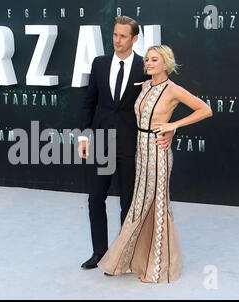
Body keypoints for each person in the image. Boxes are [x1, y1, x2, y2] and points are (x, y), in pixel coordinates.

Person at [97, 45, 213, 283]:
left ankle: (157, 268)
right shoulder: (145, 85)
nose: (148, 64)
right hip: (141, 151)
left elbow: (205, 110)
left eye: (153, 60)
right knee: (140, 206)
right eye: (147, 60)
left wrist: (173, 126)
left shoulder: (173, 89)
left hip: (158, 153)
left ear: (166, 63)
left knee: (157, 206)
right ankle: (132, 259)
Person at [79, 16, 174, 270]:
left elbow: (162, 100)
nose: (117, 40)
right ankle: (99, 253)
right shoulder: (99, 64)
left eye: (123, 36)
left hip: (130, 145)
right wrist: (84, 136)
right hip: (100, 142)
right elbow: (88, 103)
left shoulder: (144, 68)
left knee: (128, 203)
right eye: (114, 35)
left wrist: (169, 129)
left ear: (134, 39)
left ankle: (122, 255)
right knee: (95, 198)